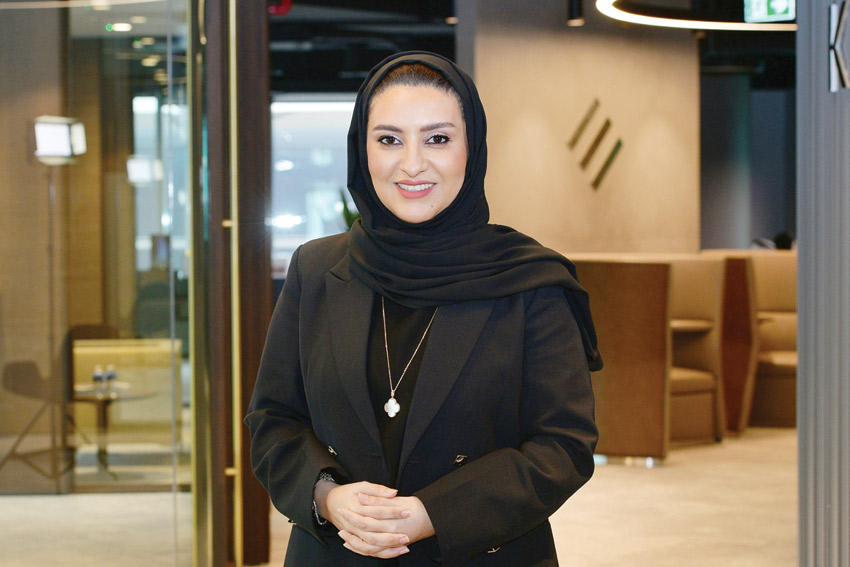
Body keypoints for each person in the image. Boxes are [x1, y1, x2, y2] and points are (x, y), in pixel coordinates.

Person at [244, 51, 602, 567]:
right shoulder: (316, 270)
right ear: (362, 150)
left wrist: (436, 514)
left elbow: (563, 445)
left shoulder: (531, 280)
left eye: (437, 139)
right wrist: (327, 496)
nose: (412, 163)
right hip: (336, 554)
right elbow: (274, 418)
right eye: (389, 139)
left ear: (471, 149)